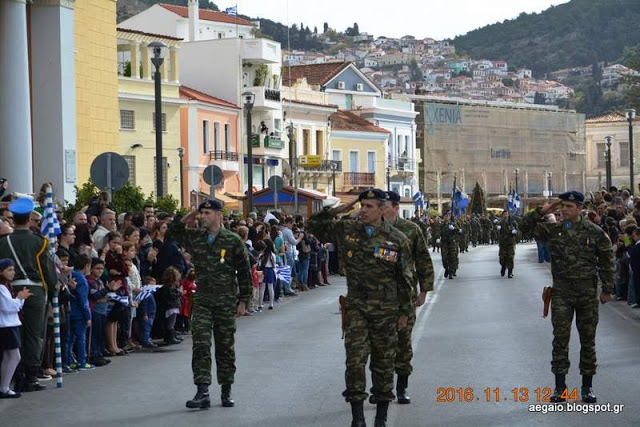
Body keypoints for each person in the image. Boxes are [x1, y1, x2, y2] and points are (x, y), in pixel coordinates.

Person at [307, 189, 414, 427]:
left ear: (381, 209)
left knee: (383, 363)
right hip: (356, 307)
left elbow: (405, 279)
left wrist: (405, 313)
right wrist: (339, 209)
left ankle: (381, 418)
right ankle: (357, 418)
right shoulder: (348, 231)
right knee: (354, 362)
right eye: (361, 205)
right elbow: (314, 225)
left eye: (369, 206)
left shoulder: (397, 239)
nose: (363, 210)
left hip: (386, 310)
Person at [520, 191, 615, 404]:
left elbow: (608, 260)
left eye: (569, 206)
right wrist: (543, 210)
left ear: (580, 209)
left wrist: (607, 289)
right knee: (560, 339)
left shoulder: (595, 232)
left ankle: (587, 387)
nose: (564, 209)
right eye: (562, 206)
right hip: (562, 293)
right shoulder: (554, 230)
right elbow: (523, 227)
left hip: (587, 294)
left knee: (587, 340)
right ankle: (560, 388)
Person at [171, 200, 252, 409]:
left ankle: (226, 389)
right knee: (200, 344)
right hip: (203, 300)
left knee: (225, 347)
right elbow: (174, 231)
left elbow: (244, 272)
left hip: (225, 301)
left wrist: (244, 300)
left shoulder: (232, 240)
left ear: (218, 215)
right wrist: (191, 214)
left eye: (207, 213)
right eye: (202, 212)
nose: (203, 216)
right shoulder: (197, 237)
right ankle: (202, 391)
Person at [381, 191, 434, 405]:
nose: (380, 209)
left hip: (405, 295)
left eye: (384, 205)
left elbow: (423, 260)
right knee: (382, 344)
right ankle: (383, 388)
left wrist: (423, 290)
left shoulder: (411, 229)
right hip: (379, 297)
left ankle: (401, 387)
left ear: (395, 207)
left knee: (403, 342)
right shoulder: (373, 230)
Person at [0, 198, 57, 392]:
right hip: (34, 290)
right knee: (34, 334)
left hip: (10, 289)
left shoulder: (3, 242)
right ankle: (30, 375)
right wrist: (53, 286)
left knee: (15, 332)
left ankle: (14, 375)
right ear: (29, 218)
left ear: (14, 218)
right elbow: (47, 269)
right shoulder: (39, 241)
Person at [0, 259, 32, 398]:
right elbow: (9, 307)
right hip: (6, 325)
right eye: (9, 270)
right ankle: (4, 387)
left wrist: (19, 299)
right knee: (13, 356)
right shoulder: (1, 288)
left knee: (9, 356)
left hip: (9, 324)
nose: (12, 273)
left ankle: (4, 386)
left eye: (13, 270)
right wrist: (20, 298)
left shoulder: (6, 287)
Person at [68, 255, 94, 371]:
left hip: (70, 311)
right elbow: (83, 300)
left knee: (70, 338)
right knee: (81, 338)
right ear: (86, 266)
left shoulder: (71, 275)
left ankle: (68, 360)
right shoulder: (82, 280)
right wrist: (88, 316)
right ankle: (82, 361)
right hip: (79, 313)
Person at [257, 239, 277, 311]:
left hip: (263, 270)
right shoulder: (272, 255)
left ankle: (260, 304)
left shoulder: (261, 255)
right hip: (271, 270)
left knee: (262, 288)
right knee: (270, 287)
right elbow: (274, 264)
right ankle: (271, 304)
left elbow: (258, 264)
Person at [497, 211, 518, 278]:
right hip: (503, 243)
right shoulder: (500, 222)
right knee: (502, 258)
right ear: (502, 215)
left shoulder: (512, 222)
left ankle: (510, 272)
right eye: (504, 214)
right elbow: (496, 228)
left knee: (510, 257)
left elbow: (517, 230)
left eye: (507, 214)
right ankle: (503, 267)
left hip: (510, 243)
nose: (506, 215)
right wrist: (497, 228)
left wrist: (515, 232)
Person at [440, 211, 459, 279]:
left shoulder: (453, 224)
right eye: (446, 216)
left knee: (452, 258)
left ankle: (451, 272)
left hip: (452, 243)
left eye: (448, 216)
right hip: (444, 243)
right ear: (444, 217)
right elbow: (437, 232)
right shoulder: (441, 225)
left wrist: (454, 229)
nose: (447, 217)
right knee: (444, 258)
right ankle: (446, 269)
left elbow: (459, 231)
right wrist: (437, 238)